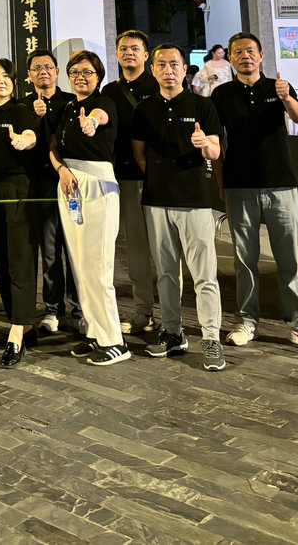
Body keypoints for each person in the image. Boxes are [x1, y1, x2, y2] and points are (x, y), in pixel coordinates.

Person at [212, 33, 298, 352]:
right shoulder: (221, 94)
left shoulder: (278, 87)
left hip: (281, 183)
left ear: (260, 55)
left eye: (250, 51)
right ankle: (247, 321)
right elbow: (217, 144)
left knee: (288, 257)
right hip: (239, 185)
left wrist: (286, 97)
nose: (245, 56)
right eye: (238, 52)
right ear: (230, 58)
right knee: (244, 259)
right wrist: (221, 184)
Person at [130, 43, 226, 371]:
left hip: (195, 201)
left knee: (204, 274)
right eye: (161, 64)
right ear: (153, 69)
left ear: (185, 69)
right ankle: (173, 332)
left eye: (174, 64)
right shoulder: (144, 110)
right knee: (166, 273)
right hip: (156, 201)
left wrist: (205, 144)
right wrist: (160, 179)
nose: (168, 70)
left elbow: (215, 151)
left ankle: (211, 337)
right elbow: (139, 154)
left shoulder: (202, 105)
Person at [50, 50, 128, 366]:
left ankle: (115, 341)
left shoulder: (104, 102)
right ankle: (95, 333)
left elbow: (100, 117)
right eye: (74, 72)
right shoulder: (68, 108)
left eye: (87, 72)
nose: (80, 77)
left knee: (98, 266)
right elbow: (53, 147)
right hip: (69, 184)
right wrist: (61, 169)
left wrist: (92, 122)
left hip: (98, 186)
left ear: (98, 76)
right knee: (81, 266)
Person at [0, 58, 37, 367]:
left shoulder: (20, 109)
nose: (0, 80)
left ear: (14, 81)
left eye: (5, 75)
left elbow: (31, 135)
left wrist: (24, 141)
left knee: (20, 258)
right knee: (1, 257)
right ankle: (23, 324)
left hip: (18, 187)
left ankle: (17, 331)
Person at [101, 30, 158, 334]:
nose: (129, 53)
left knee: (161, 249)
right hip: (121, 178)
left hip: (156, 178)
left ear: (146, 55)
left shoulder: (159, 85)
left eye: (135, 48)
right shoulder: (109, 91)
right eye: (123, 48)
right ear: (116, 54)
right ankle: (142, 310)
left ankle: (168, 314)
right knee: (133, 250)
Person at [22, 48, 82, 334]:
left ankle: (80, 308)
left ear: (57, 72)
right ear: (29, 74)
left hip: (72, 182)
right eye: (37, 68)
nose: (43, 72)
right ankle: (52, 309)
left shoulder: (71, 101)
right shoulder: (23, 105)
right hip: (41, 185)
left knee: (75, 248)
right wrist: (35, 119)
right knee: (49, 250)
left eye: (48, 67)